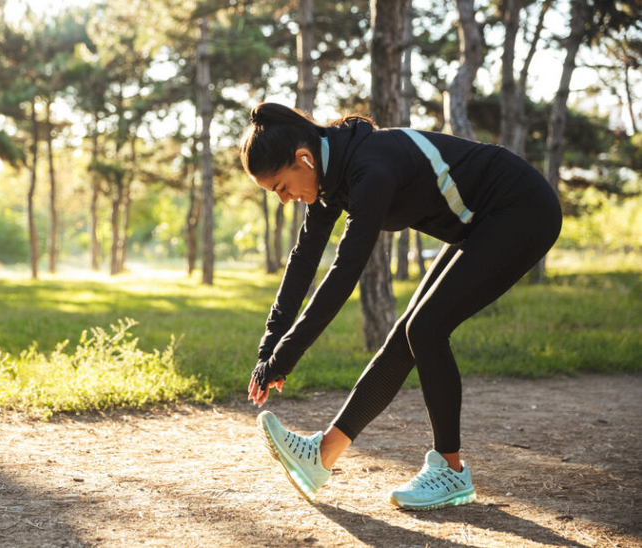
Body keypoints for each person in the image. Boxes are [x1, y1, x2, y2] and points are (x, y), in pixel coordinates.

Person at [240, 102, 562, 510]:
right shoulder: (329, 173)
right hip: (483, 221)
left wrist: (285, 358)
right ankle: (321, 458)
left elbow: (343, 275)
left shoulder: (370, 168)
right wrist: (269, 348)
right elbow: (303, 262)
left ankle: (451, 471)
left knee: (425, 328)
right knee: (409, 332)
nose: (286, 200)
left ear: (303, 159)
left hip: (522, 207)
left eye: (282, 187)